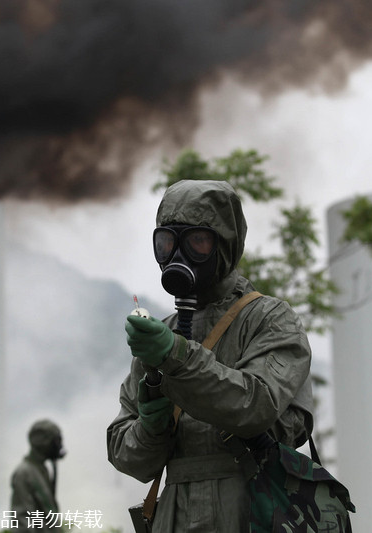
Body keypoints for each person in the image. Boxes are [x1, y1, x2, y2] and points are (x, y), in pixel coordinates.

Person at [106, 180, 313, 532]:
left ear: (225, 245)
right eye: (167, 243)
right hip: (174, 514)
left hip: (254, 510)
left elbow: (255, 405)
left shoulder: (270, 320)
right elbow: (129, 458)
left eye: (197, 242)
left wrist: (175, 355)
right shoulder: (162, 335)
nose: (178, 256)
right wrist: (151, 427)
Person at [11, 419, 67, 531]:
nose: (58, 446)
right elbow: (22, 522)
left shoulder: (41, 470)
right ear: (44, 441)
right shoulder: (24, 473)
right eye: (55, 441)